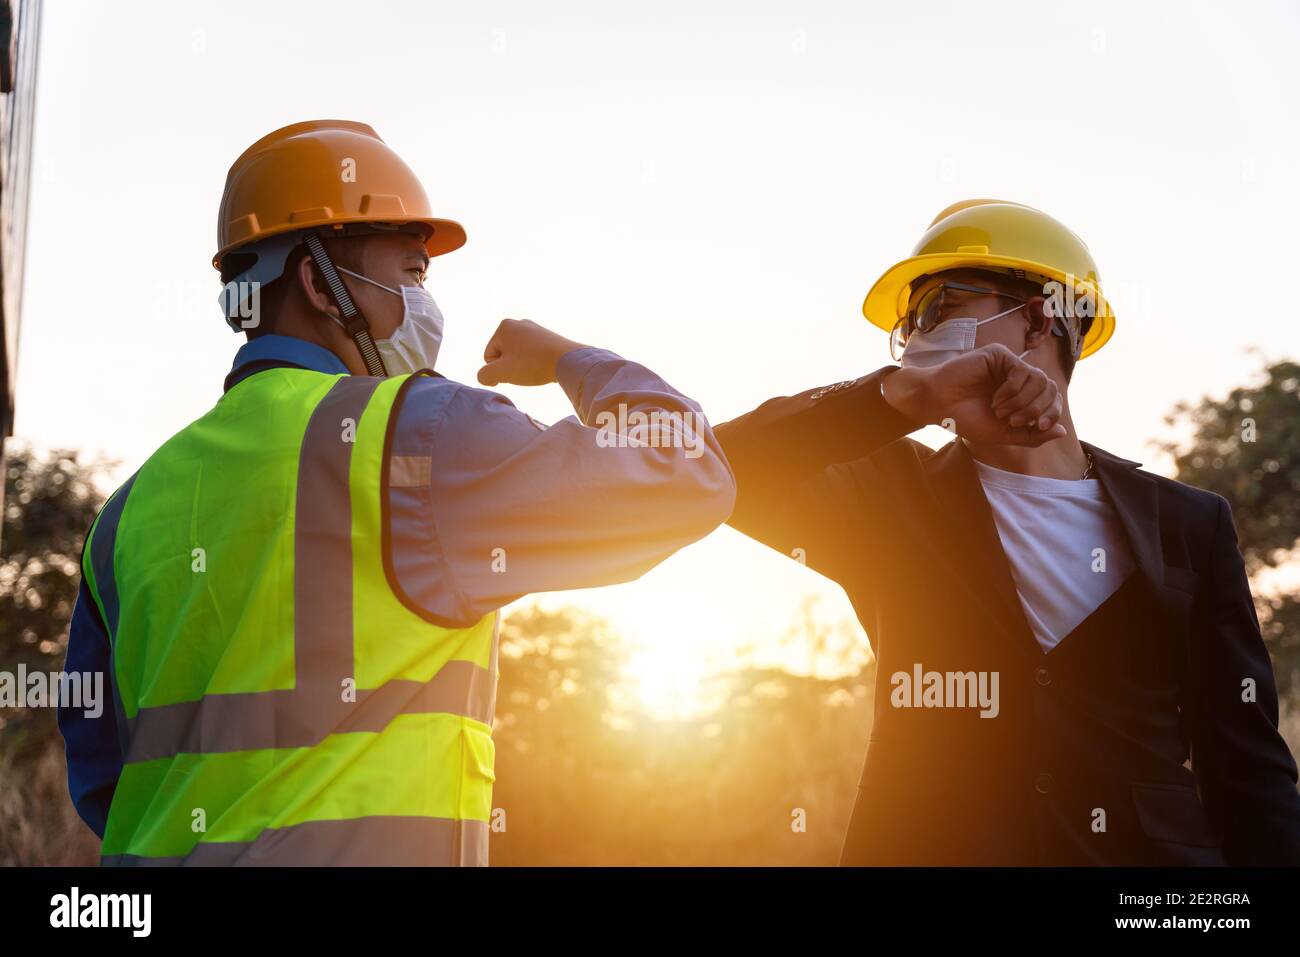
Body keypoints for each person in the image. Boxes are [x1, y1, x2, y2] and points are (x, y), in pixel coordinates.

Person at [59, 120, 735, 866]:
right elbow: (688, 473)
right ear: (318, 284)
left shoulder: (124, 515)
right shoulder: (416, 439)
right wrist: (570, 360)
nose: (426, 303)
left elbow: (104, 785)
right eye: (412, 275)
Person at [714, 199, 1300, 865]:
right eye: (907, 326)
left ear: (1035, 317)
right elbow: (704, 465)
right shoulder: (882, 493)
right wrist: (900, 398)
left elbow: (1248, 772)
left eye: (938, 307)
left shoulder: (1189, 524)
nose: (915, 338)